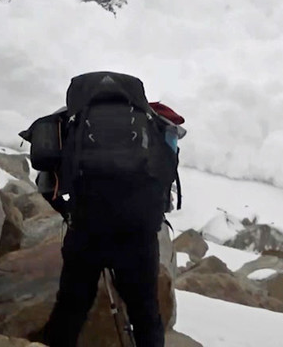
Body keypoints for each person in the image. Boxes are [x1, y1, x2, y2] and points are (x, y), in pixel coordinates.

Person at [22, 72, 185, 347]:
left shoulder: (67, 121)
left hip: (87, 230)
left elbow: (46, 181)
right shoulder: (154, 122)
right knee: (145, 314)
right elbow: (166, 174)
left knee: (71, 308)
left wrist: (69, 212)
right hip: (138, 233)